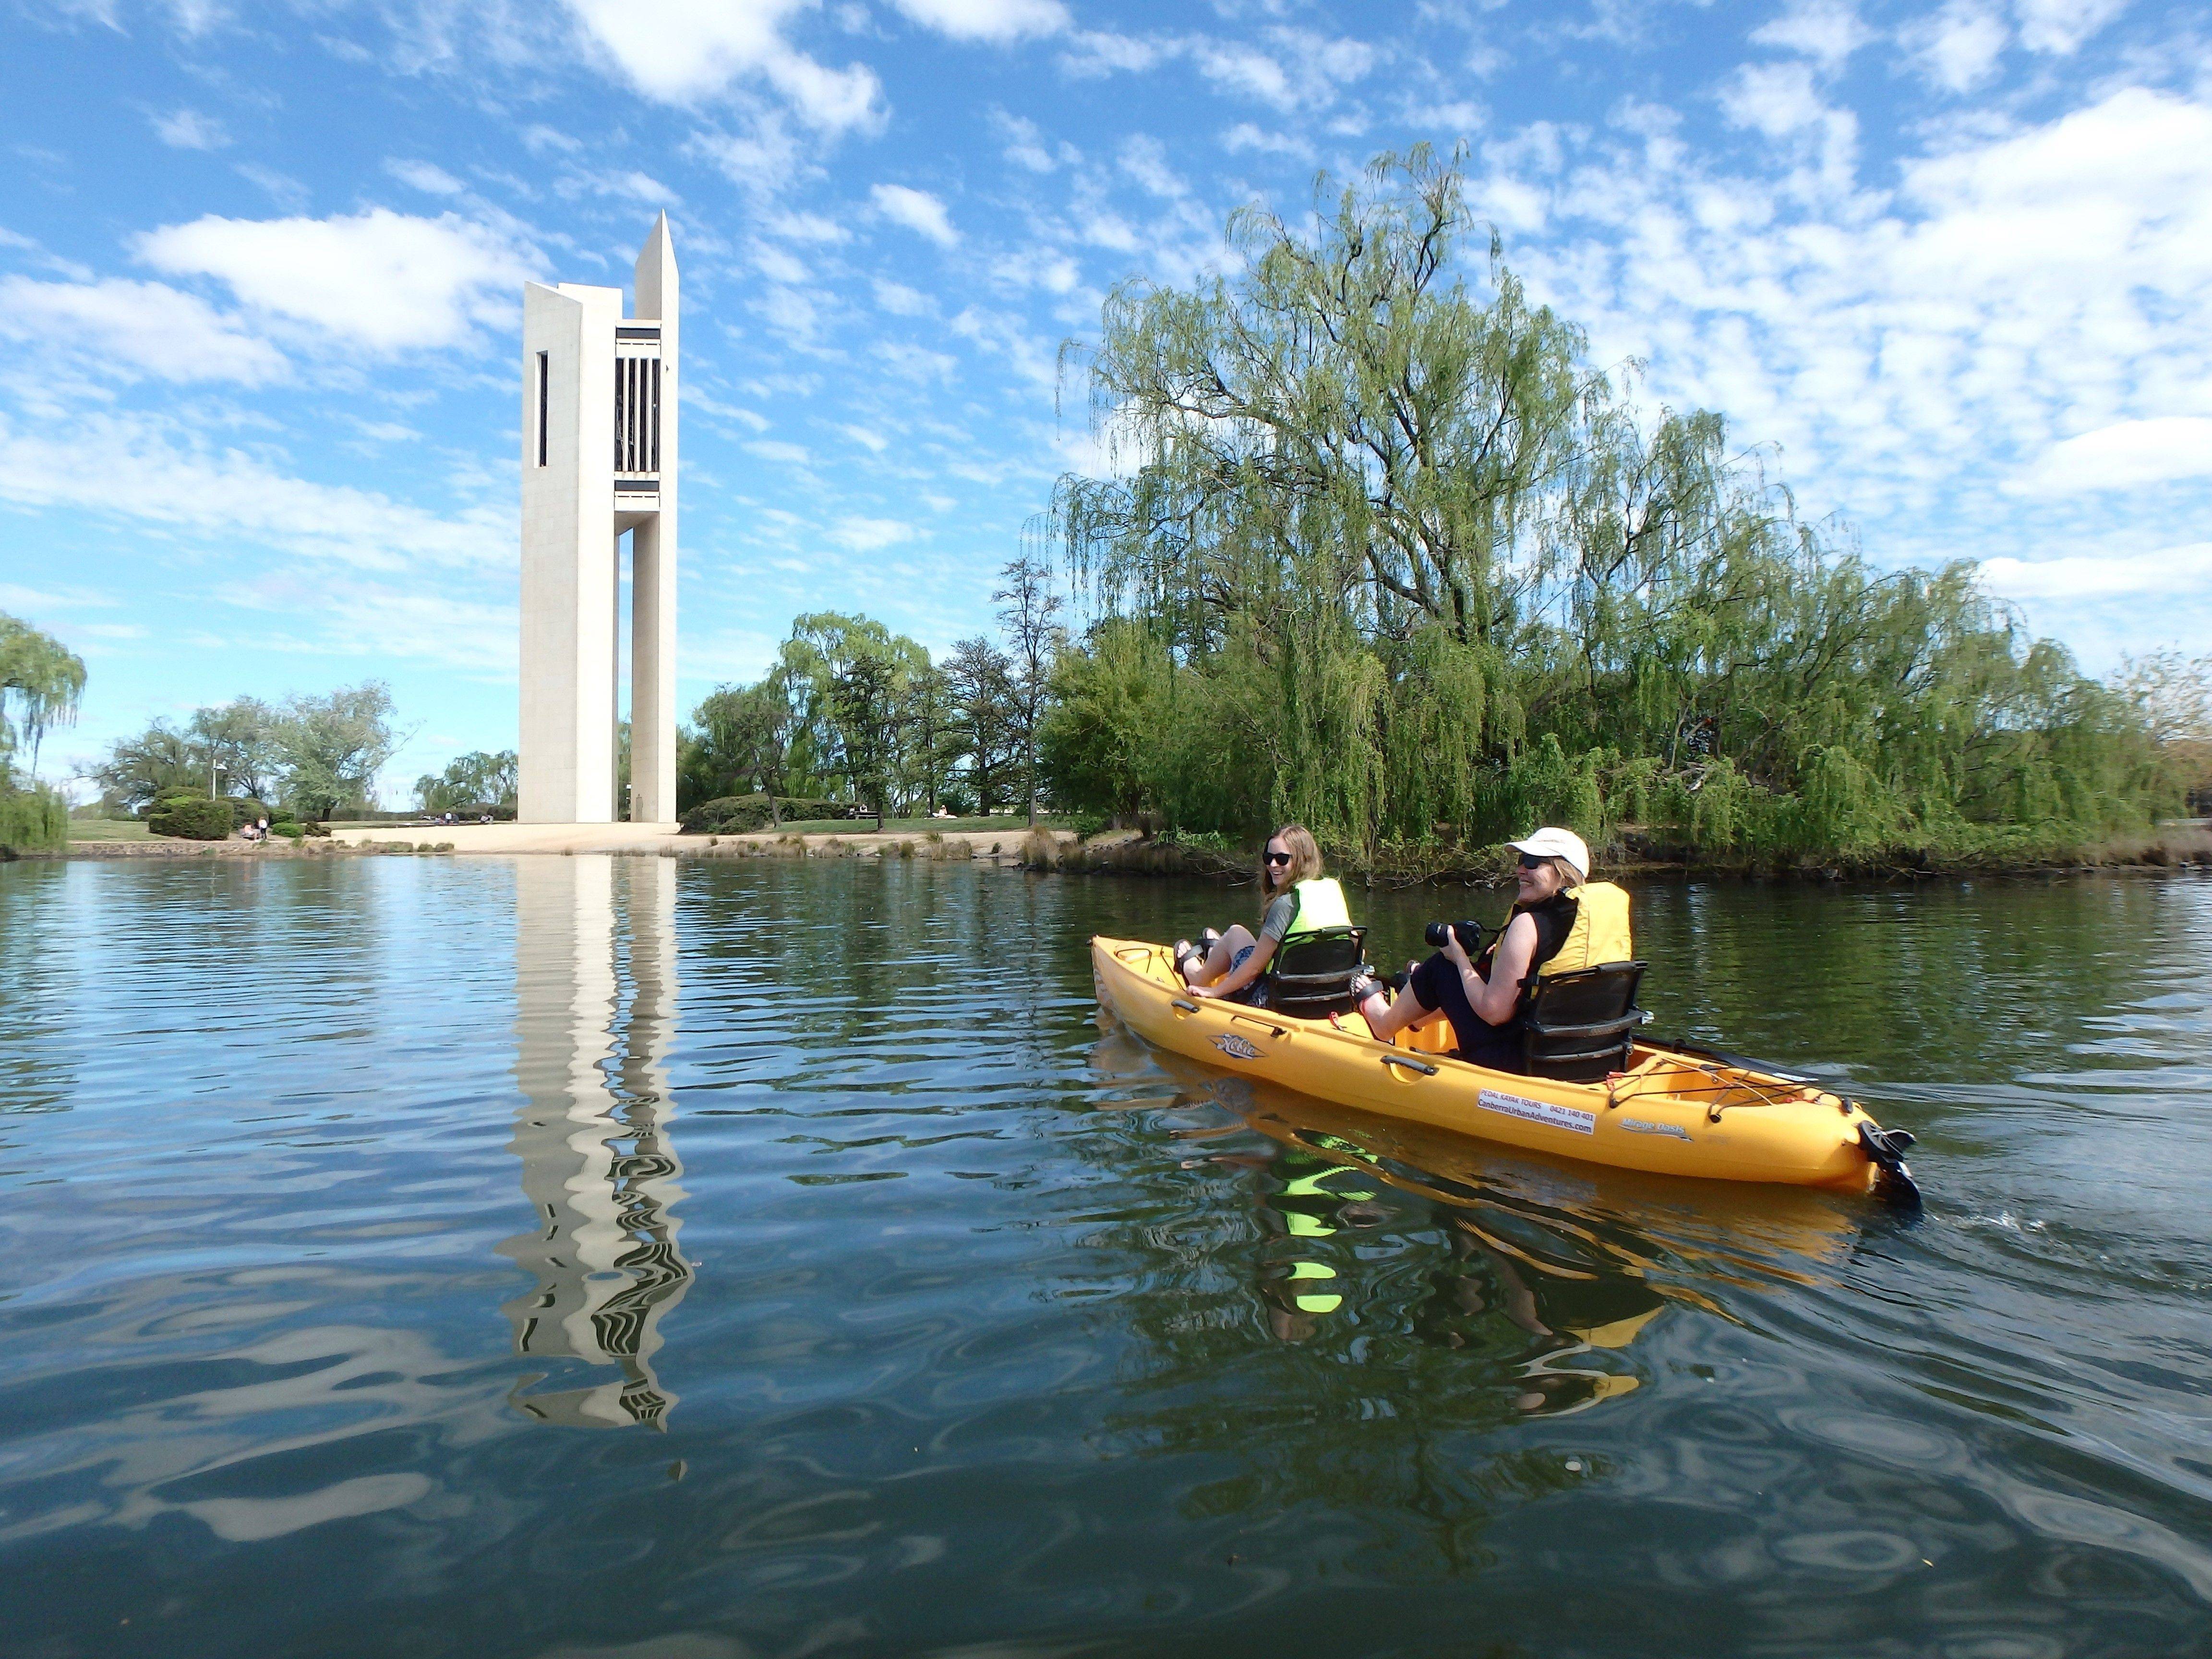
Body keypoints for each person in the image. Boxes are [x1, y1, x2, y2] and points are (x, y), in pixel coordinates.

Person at [1356, 827, 1594, 1072]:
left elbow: (1495, 1013)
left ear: (1564, 872)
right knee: (1482, 973)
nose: (1520, 870)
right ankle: (1419, 1018)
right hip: (1579, 1055)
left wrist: (1458, 956)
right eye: (1522, 861)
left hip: (1515, 1059)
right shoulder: (1592, 925)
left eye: (1533, 863)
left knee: (1443, 969)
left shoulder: (1528, 925)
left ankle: (1383, 1024)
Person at [1174, 824, 1351, 1006]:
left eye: (1282, 859)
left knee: (1235, 933)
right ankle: (1217, 953)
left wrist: (1215, 992)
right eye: (1269, 858)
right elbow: (1354, 948)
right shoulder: (1333, 891)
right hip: (1325, 994)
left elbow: (1254, 969)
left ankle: (1198, 977)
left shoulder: (1285, 906)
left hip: (1275, 998)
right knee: (1239, 935)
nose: (1272, 865)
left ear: (1301, 860)